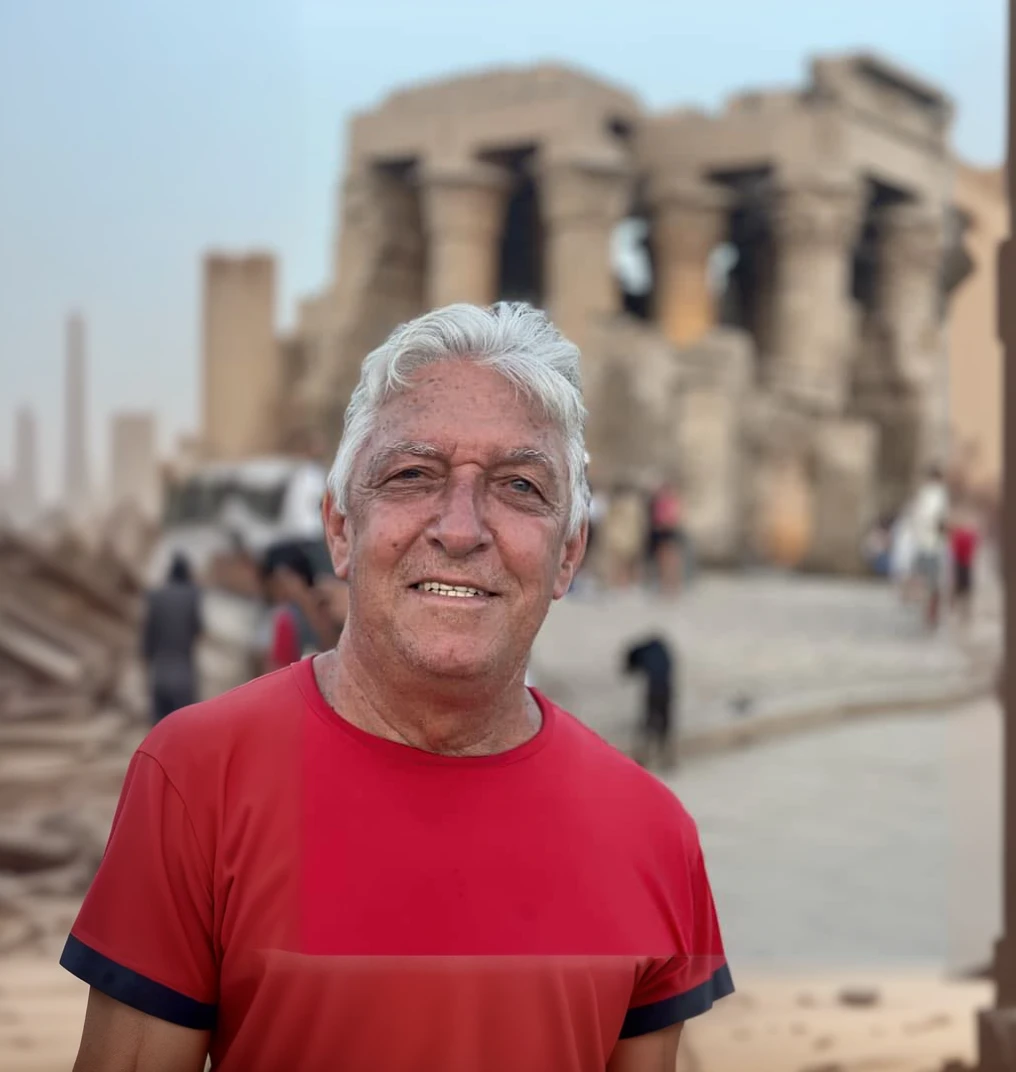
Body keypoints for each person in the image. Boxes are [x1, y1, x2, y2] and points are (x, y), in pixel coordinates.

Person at [61, 302, 734, 1072]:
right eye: (413, 475)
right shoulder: (196, 779)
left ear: (569, 552)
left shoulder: (653, 834)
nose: (459, 528)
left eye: (518, 486)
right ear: (341, 530)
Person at [140, 553, 203, 724]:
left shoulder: (156, 596)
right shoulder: (192, 596)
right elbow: (198, 630)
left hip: (160, 674)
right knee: (183, 729)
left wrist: (145, 668)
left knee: (158, 731)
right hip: (183, 676)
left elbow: (147, 637)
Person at [909, 465, 950, 629]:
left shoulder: (923, 495)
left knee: (926, 581)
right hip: (934, 544)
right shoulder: (938, 495)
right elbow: (940, 520)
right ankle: (931, 613)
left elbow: (916, 519)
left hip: (923, 543)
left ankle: (928, 612)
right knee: (934, 583)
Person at [647, 481, 684, 595]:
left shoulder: (671, 501)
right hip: (660, 531)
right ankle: (664, 584)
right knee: (662, 559)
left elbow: (675, 517)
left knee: (671, 559)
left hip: (668, 531)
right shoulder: (658, 501)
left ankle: (672, 584)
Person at [949, 504, 980, 626]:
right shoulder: (965, 534)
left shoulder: (961, 534)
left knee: (961, 588)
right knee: (964, 588)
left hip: (962, 563)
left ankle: (960, 610)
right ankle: (963, 611)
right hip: (964, 563)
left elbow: (954, 548)